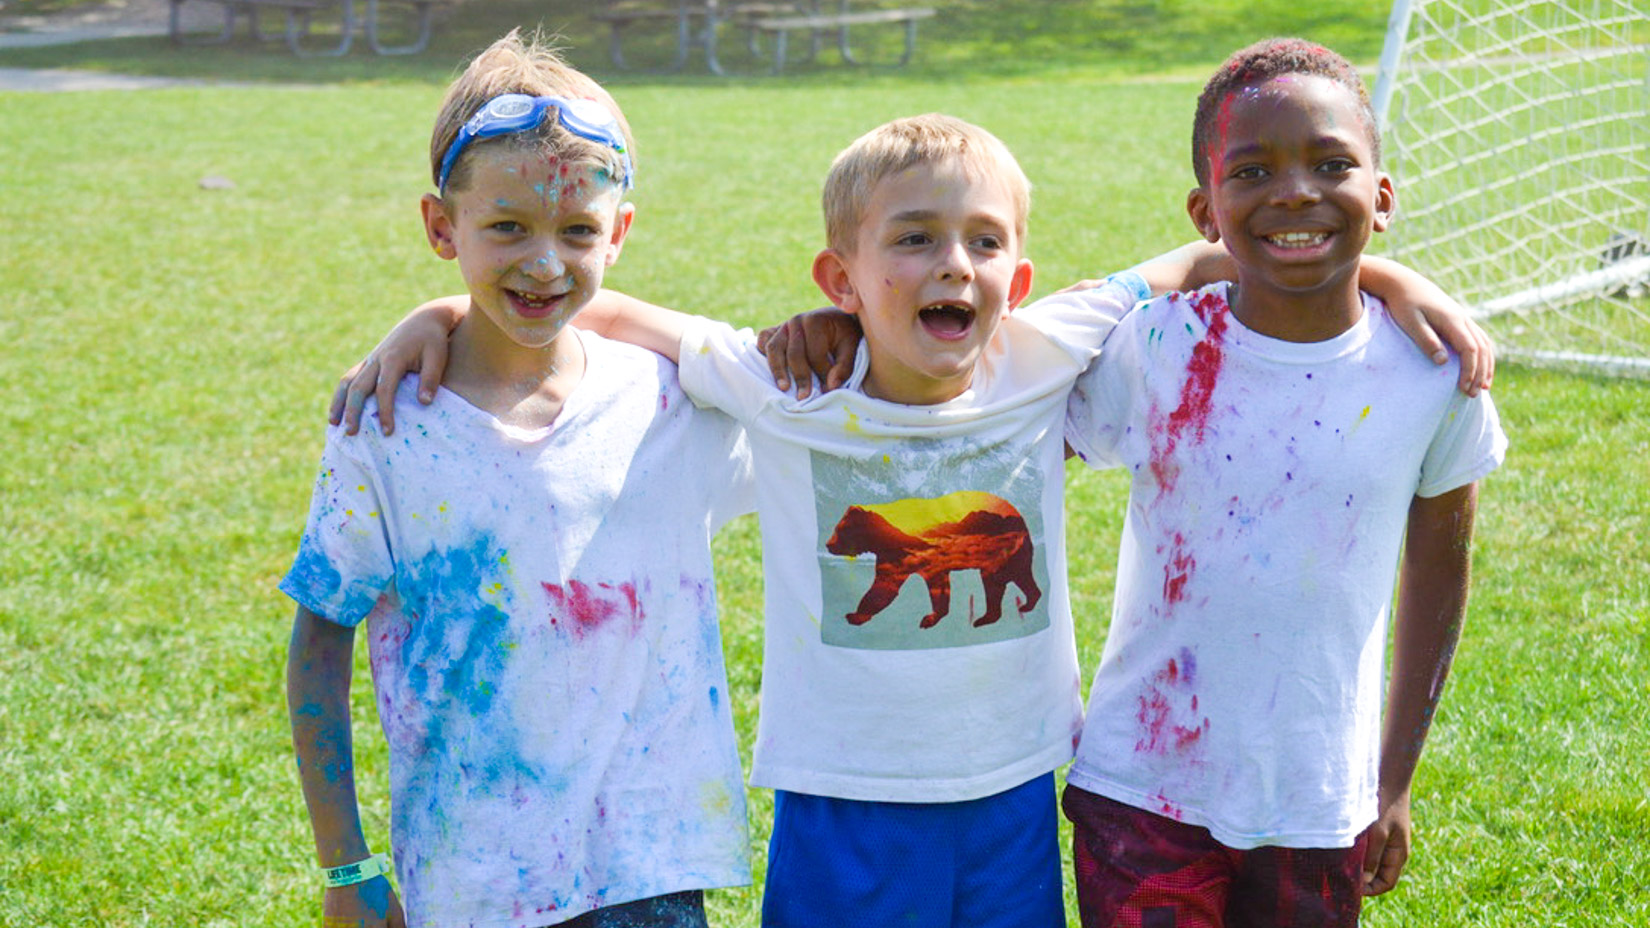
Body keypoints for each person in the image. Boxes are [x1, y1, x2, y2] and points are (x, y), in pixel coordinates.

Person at [332, 108, 1490, 927]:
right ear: (841, 278)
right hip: (842, 797)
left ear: (1020, 279)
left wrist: (1395, 278)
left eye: (985, 242)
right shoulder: (782, 384)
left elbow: (1210, 254)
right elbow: (615, 312)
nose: (956, 264)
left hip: (1015, 790)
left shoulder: (1050, 348)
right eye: (916, 240)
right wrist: (443, 304)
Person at [281, 32, 753, 928]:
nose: (544, 262)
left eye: (577, 231)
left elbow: (802, 379)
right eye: (507, 228)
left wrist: (446, 307)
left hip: (649, 874)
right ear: (439, 227)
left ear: (620, 233)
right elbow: (317, 643)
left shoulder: (668, 402)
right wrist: (346, 868)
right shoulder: (384, 426)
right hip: (471, 879)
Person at [1057, 38, 1508, 928]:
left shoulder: (1434, 373)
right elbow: (1003, 391)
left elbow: (1439, 573)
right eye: (1253, 170)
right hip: (1140, 789)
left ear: (1381, 198)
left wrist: (1394, 779)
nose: (1295, 191)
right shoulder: (1155, 348)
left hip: (1321, 799)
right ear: (1205, 209)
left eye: (1331, 163)